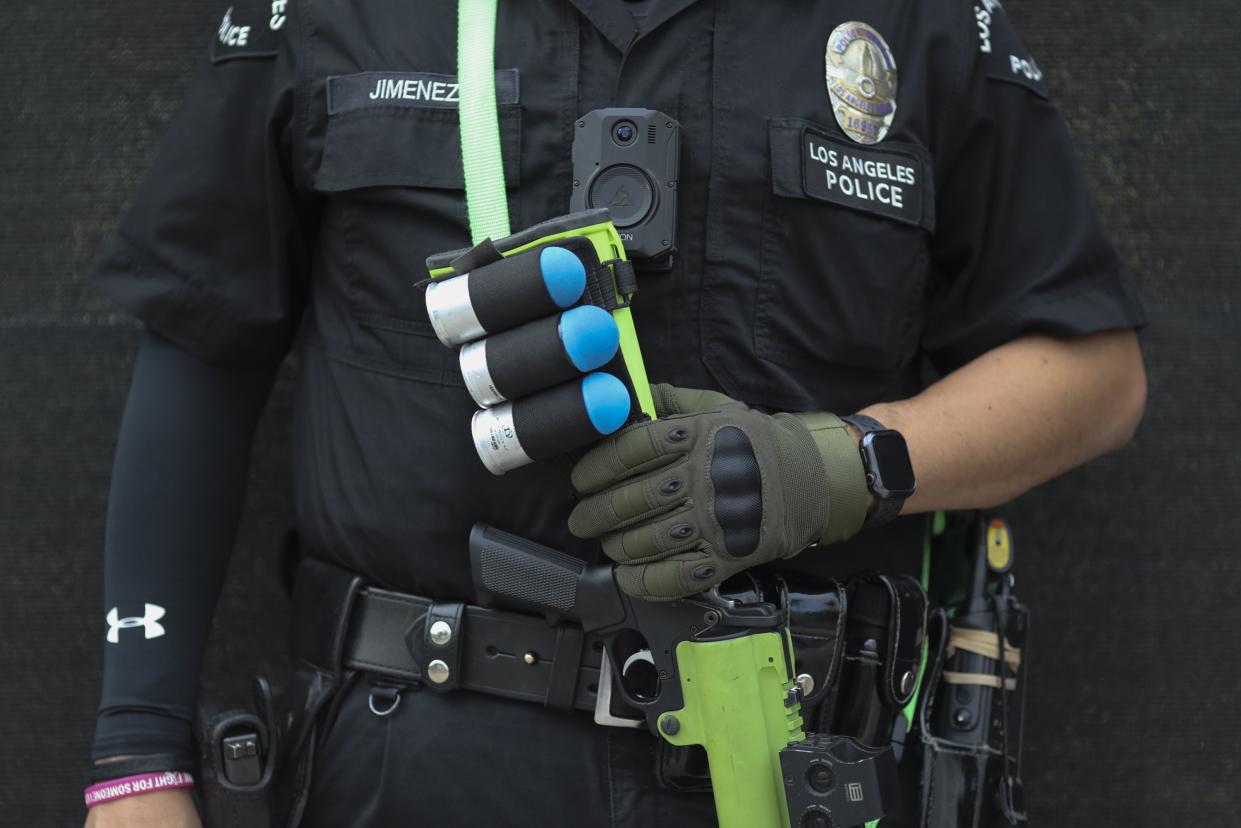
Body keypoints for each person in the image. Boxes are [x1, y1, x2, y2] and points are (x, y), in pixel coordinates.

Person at [83, 0, 1148, 825]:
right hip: (414, 751)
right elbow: (202, 345)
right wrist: (136, 757)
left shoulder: (915, 21)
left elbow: (1090, 375)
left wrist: (836, 466)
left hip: (774, 754)